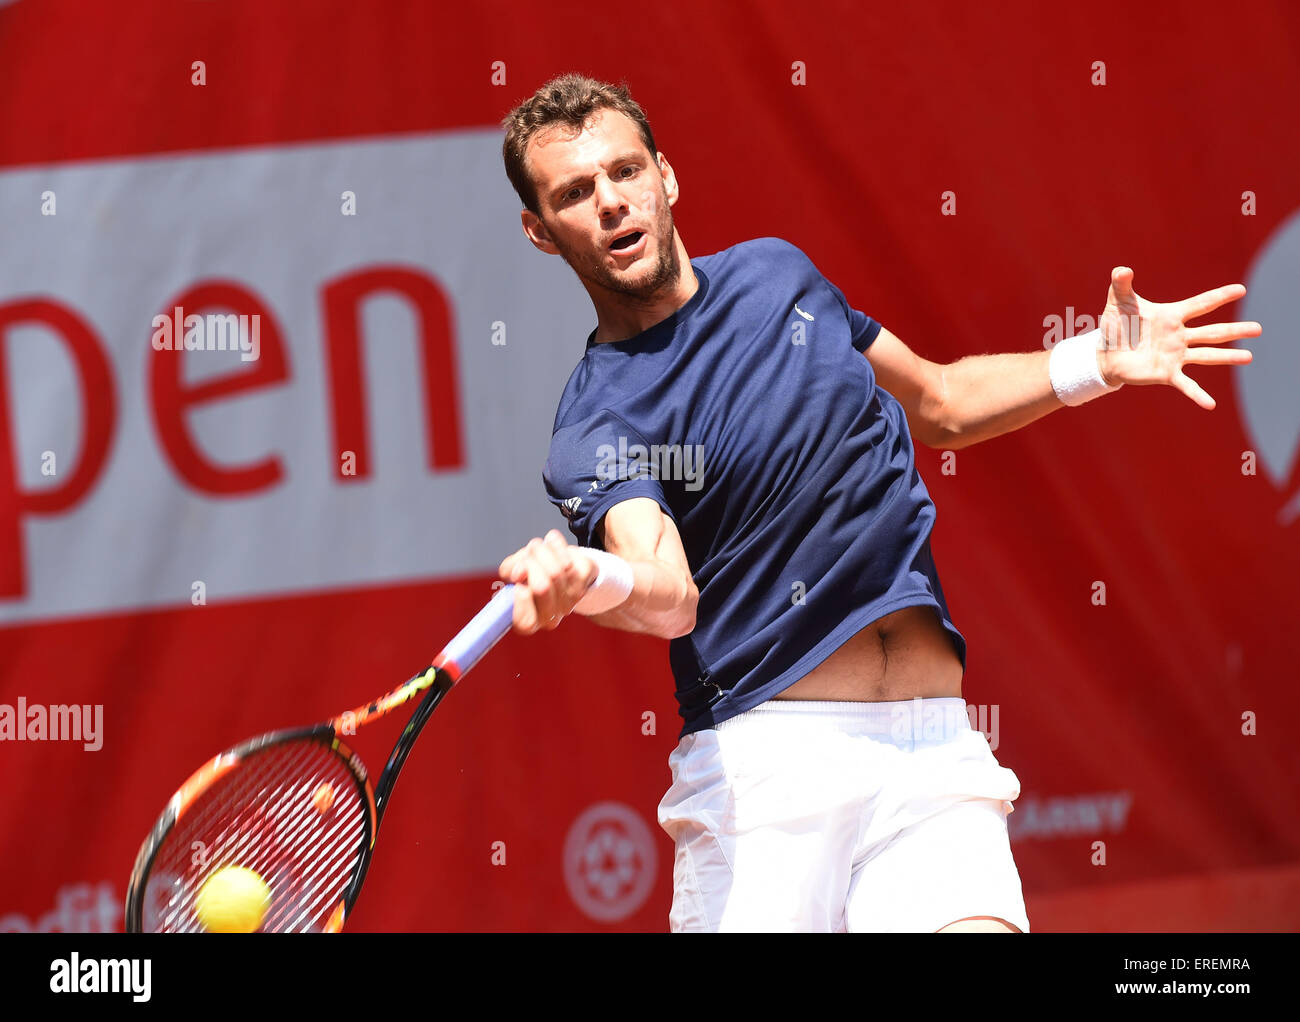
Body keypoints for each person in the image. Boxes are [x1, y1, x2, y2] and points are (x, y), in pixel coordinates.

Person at [495, 73, 1258, 932]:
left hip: (930, 757)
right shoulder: (599, 418)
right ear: (539, 232)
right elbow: (666, 593)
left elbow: (939, 402)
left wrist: (1095, 362)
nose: (609, 202)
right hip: (766, 783)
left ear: (665, 176)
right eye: (574, 193)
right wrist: (588, 575)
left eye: (624, 172)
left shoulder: (778, 276)